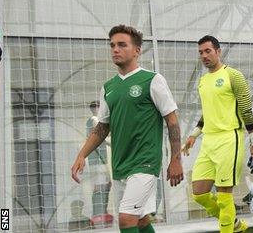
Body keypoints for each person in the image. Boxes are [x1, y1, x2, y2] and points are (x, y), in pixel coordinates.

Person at [71, 24, 184, 233]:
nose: (115, 49)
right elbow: (102, 128)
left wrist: (176, 159)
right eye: (112, 45)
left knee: (125, 219)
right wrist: (82, 155)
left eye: (122, 45)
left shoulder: (152, 80)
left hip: (145, 163)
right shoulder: (109, 87)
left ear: (137, 51)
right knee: (141, 220)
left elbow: (172, 121)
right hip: (120, 164)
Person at [182, 35, 253, 233]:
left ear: (218, 51)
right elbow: (207, 112)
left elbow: (246, 110)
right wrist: (194, 134)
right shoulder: (203, 81)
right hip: (208, 141)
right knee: (199, 193)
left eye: (208, 51)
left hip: (230, 138)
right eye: (201, 52)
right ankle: (235, 224)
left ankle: (228, 228)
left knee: (224, 195)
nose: (204, 55)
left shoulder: (233, 75)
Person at [85, 101, 113, 226]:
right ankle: (98, 212)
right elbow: (102, 137)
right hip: (98, 160)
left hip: (98, 159)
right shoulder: (95, 120)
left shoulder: (91, 121)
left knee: (105, 185)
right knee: (101, 186)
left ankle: (100, 211)